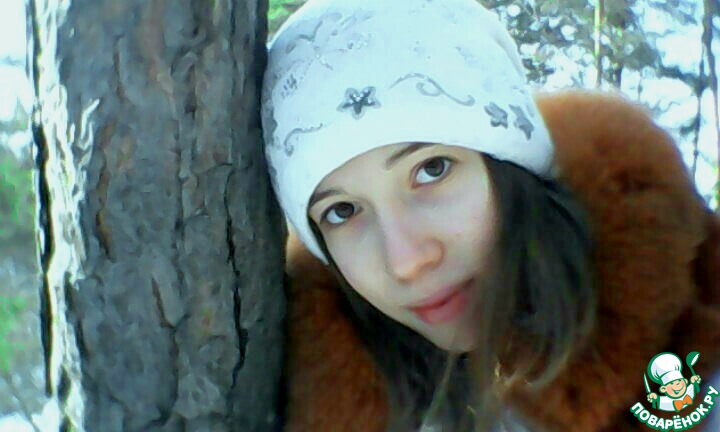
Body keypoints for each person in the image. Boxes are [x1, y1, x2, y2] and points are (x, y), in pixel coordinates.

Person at [260, 0, 720, 430]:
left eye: (432, 169)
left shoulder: (697, 355)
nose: (406, 261)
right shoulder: (336, 390)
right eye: (341, 211)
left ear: (508, 166)